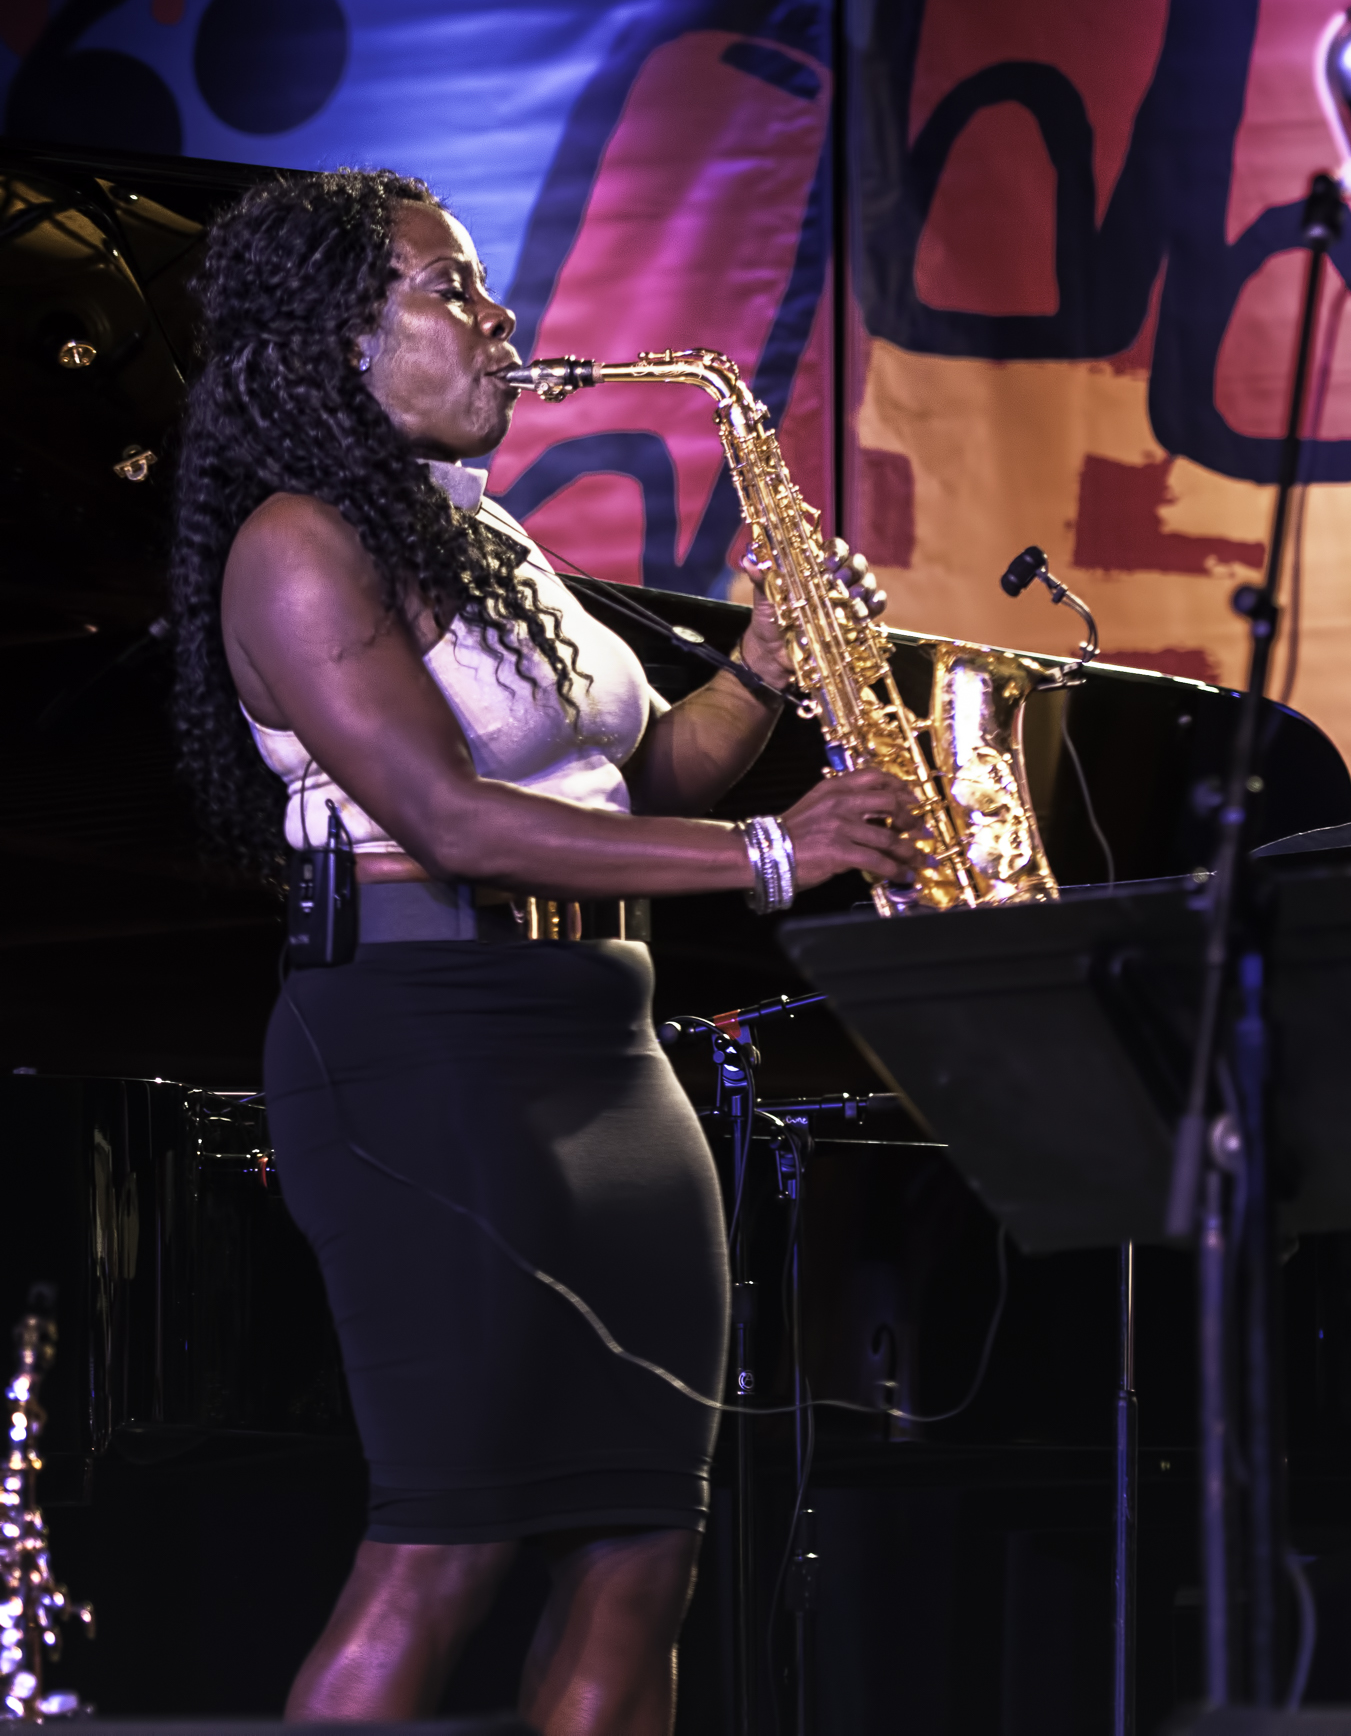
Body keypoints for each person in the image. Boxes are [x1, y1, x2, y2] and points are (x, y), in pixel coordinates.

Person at [166, 170, 907, 1735]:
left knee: (647, 1542)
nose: (502, 323)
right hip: (420, 1046)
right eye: (454, 291)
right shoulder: (295, 547)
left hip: (605, 1045)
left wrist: (764, 676)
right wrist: (781, 851)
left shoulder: (491, 537)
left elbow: (622, 791)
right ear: (337, 348)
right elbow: (450, 817)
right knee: (453, 1532)